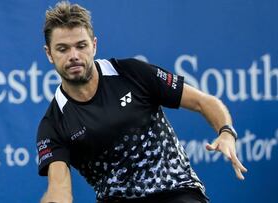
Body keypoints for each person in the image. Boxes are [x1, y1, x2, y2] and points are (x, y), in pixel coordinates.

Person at [36, 1, 247, 203]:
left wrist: (226, 132)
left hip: (176, 191)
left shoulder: (132, 73)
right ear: (49, 54)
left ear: (94, 45)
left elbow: (203, 101)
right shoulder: (53, 124)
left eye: (81, 46)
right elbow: (59, 188)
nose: (74, 55)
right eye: (63, 49)